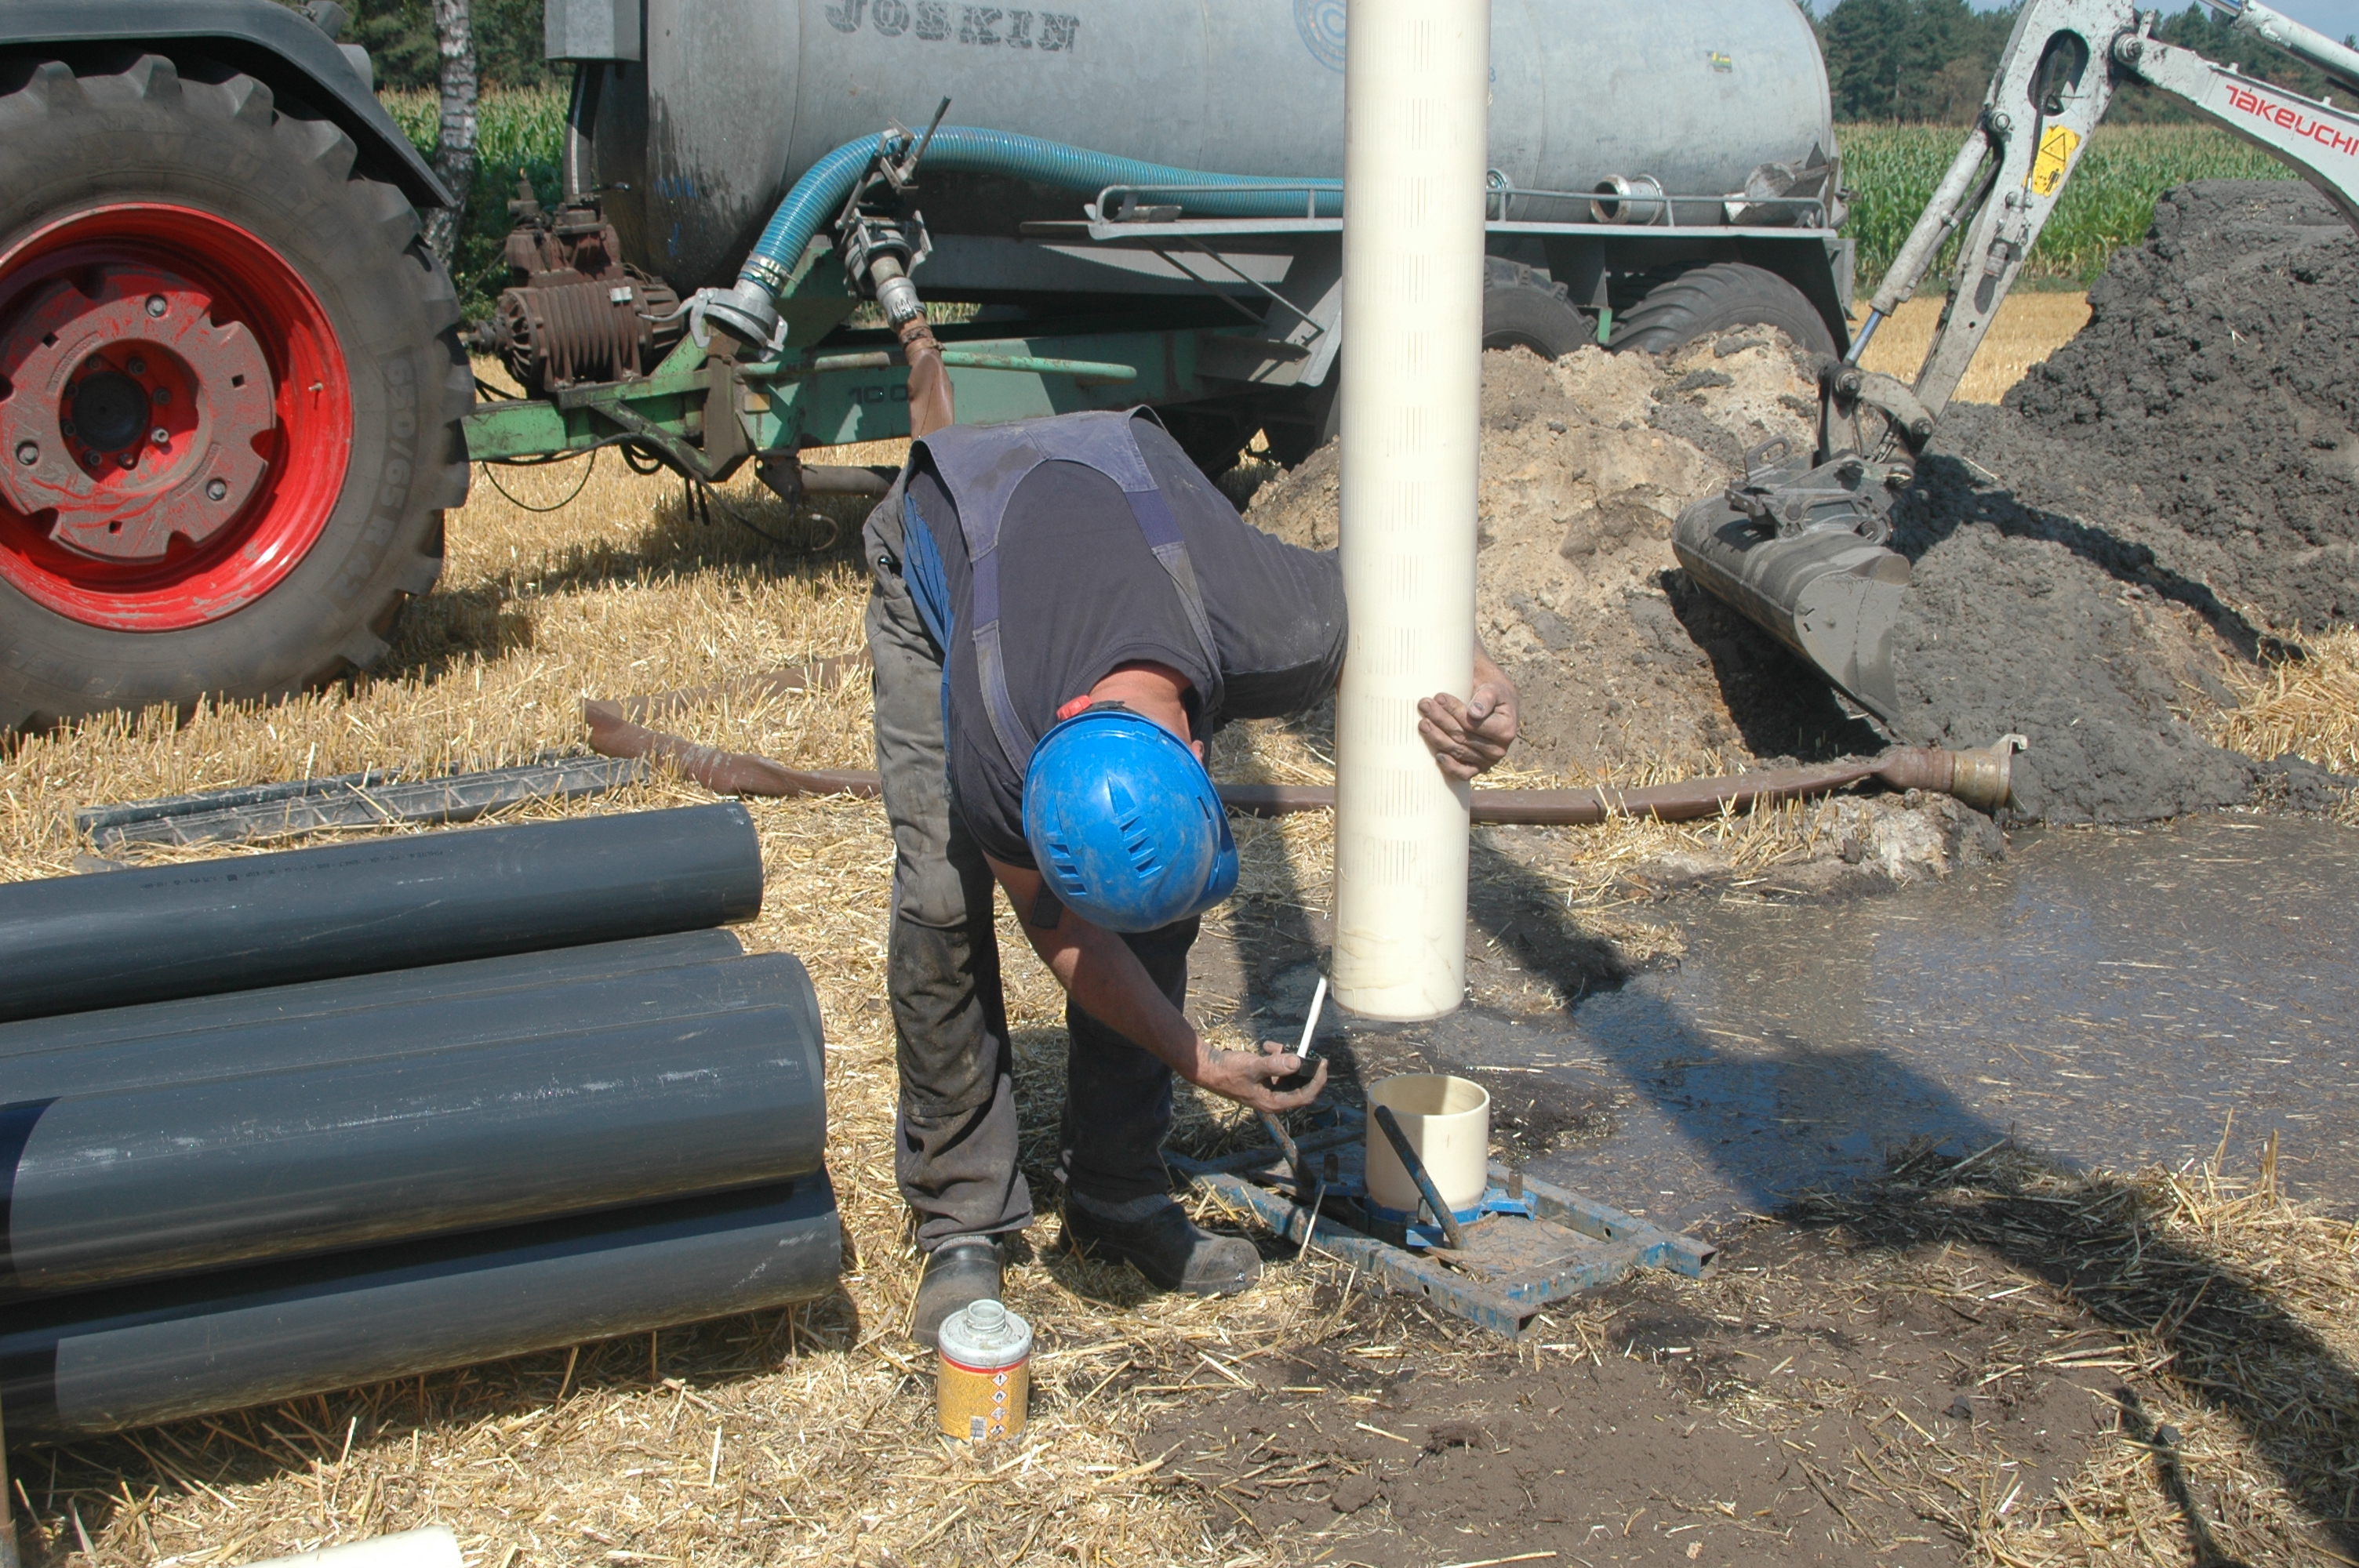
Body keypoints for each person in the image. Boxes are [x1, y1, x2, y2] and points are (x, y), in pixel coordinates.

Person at [863, 406, 1518, 1346]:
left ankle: (1117, 1188)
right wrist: (1197, 1057)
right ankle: (961, 1221)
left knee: (1150, 900)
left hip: (1125, 492)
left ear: (1200, 749)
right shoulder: (1000, 740)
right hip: (946, 525)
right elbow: (1062, 928)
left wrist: (1491, 692)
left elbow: (1408, 595)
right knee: (939, 898)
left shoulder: (1268, 620)